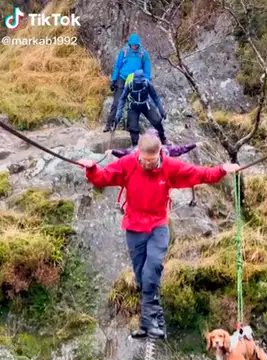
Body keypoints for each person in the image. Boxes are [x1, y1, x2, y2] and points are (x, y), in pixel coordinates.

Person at [78, 134, 240, 339]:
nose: (147, 164)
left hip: (158, 225)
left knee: (152, 267)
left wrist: (222, 170)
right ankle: (154, 323)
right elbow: (101, 178)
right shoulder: (127, 163)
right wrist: (92, 168)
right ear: (138, 153)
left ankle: (150, 323)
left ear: (159, 153)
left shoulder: (169, 166)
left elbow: (197, 174)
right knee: (141, 277)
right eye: (144, 160)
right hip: (134, 226)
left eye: (152, 161)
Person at [105, 34, 152, 133]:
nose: (134, 47)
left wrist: (146, 80)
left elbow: (147, 69)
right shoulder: (124, 51)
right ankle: (109, 125)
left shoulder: (143, 54)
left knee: (133, 105)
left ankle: (131, 126)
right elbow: (117, 66)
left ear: (138, 44)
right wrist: (114, 80)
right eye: (132, 45)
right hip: (122, 78)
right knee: (117, 102)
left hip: (135, 81)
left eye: (136, 45)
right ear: (129, 44)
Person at [114, 71, 167, 148]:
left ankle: (163, 138)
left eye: (140, 82)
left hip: (146, 105)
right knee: (133, 128)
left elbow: (155, 97)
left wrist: (161, 110)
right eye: (137, 82)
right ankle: (135, 146)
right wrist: (118, 114)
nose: (138, 84)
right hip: (133, 107)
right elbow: (122, 99)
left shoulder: (147, 84)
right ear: (134, 80)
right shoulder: (130, 85)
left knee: (157, 121)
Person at [111, 129, 197, 159]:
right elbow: (181, 149)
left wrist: (112, 151)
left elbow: (123, 153)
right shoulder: (164, 149)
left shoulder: (137, 149)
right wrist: (194, 145)